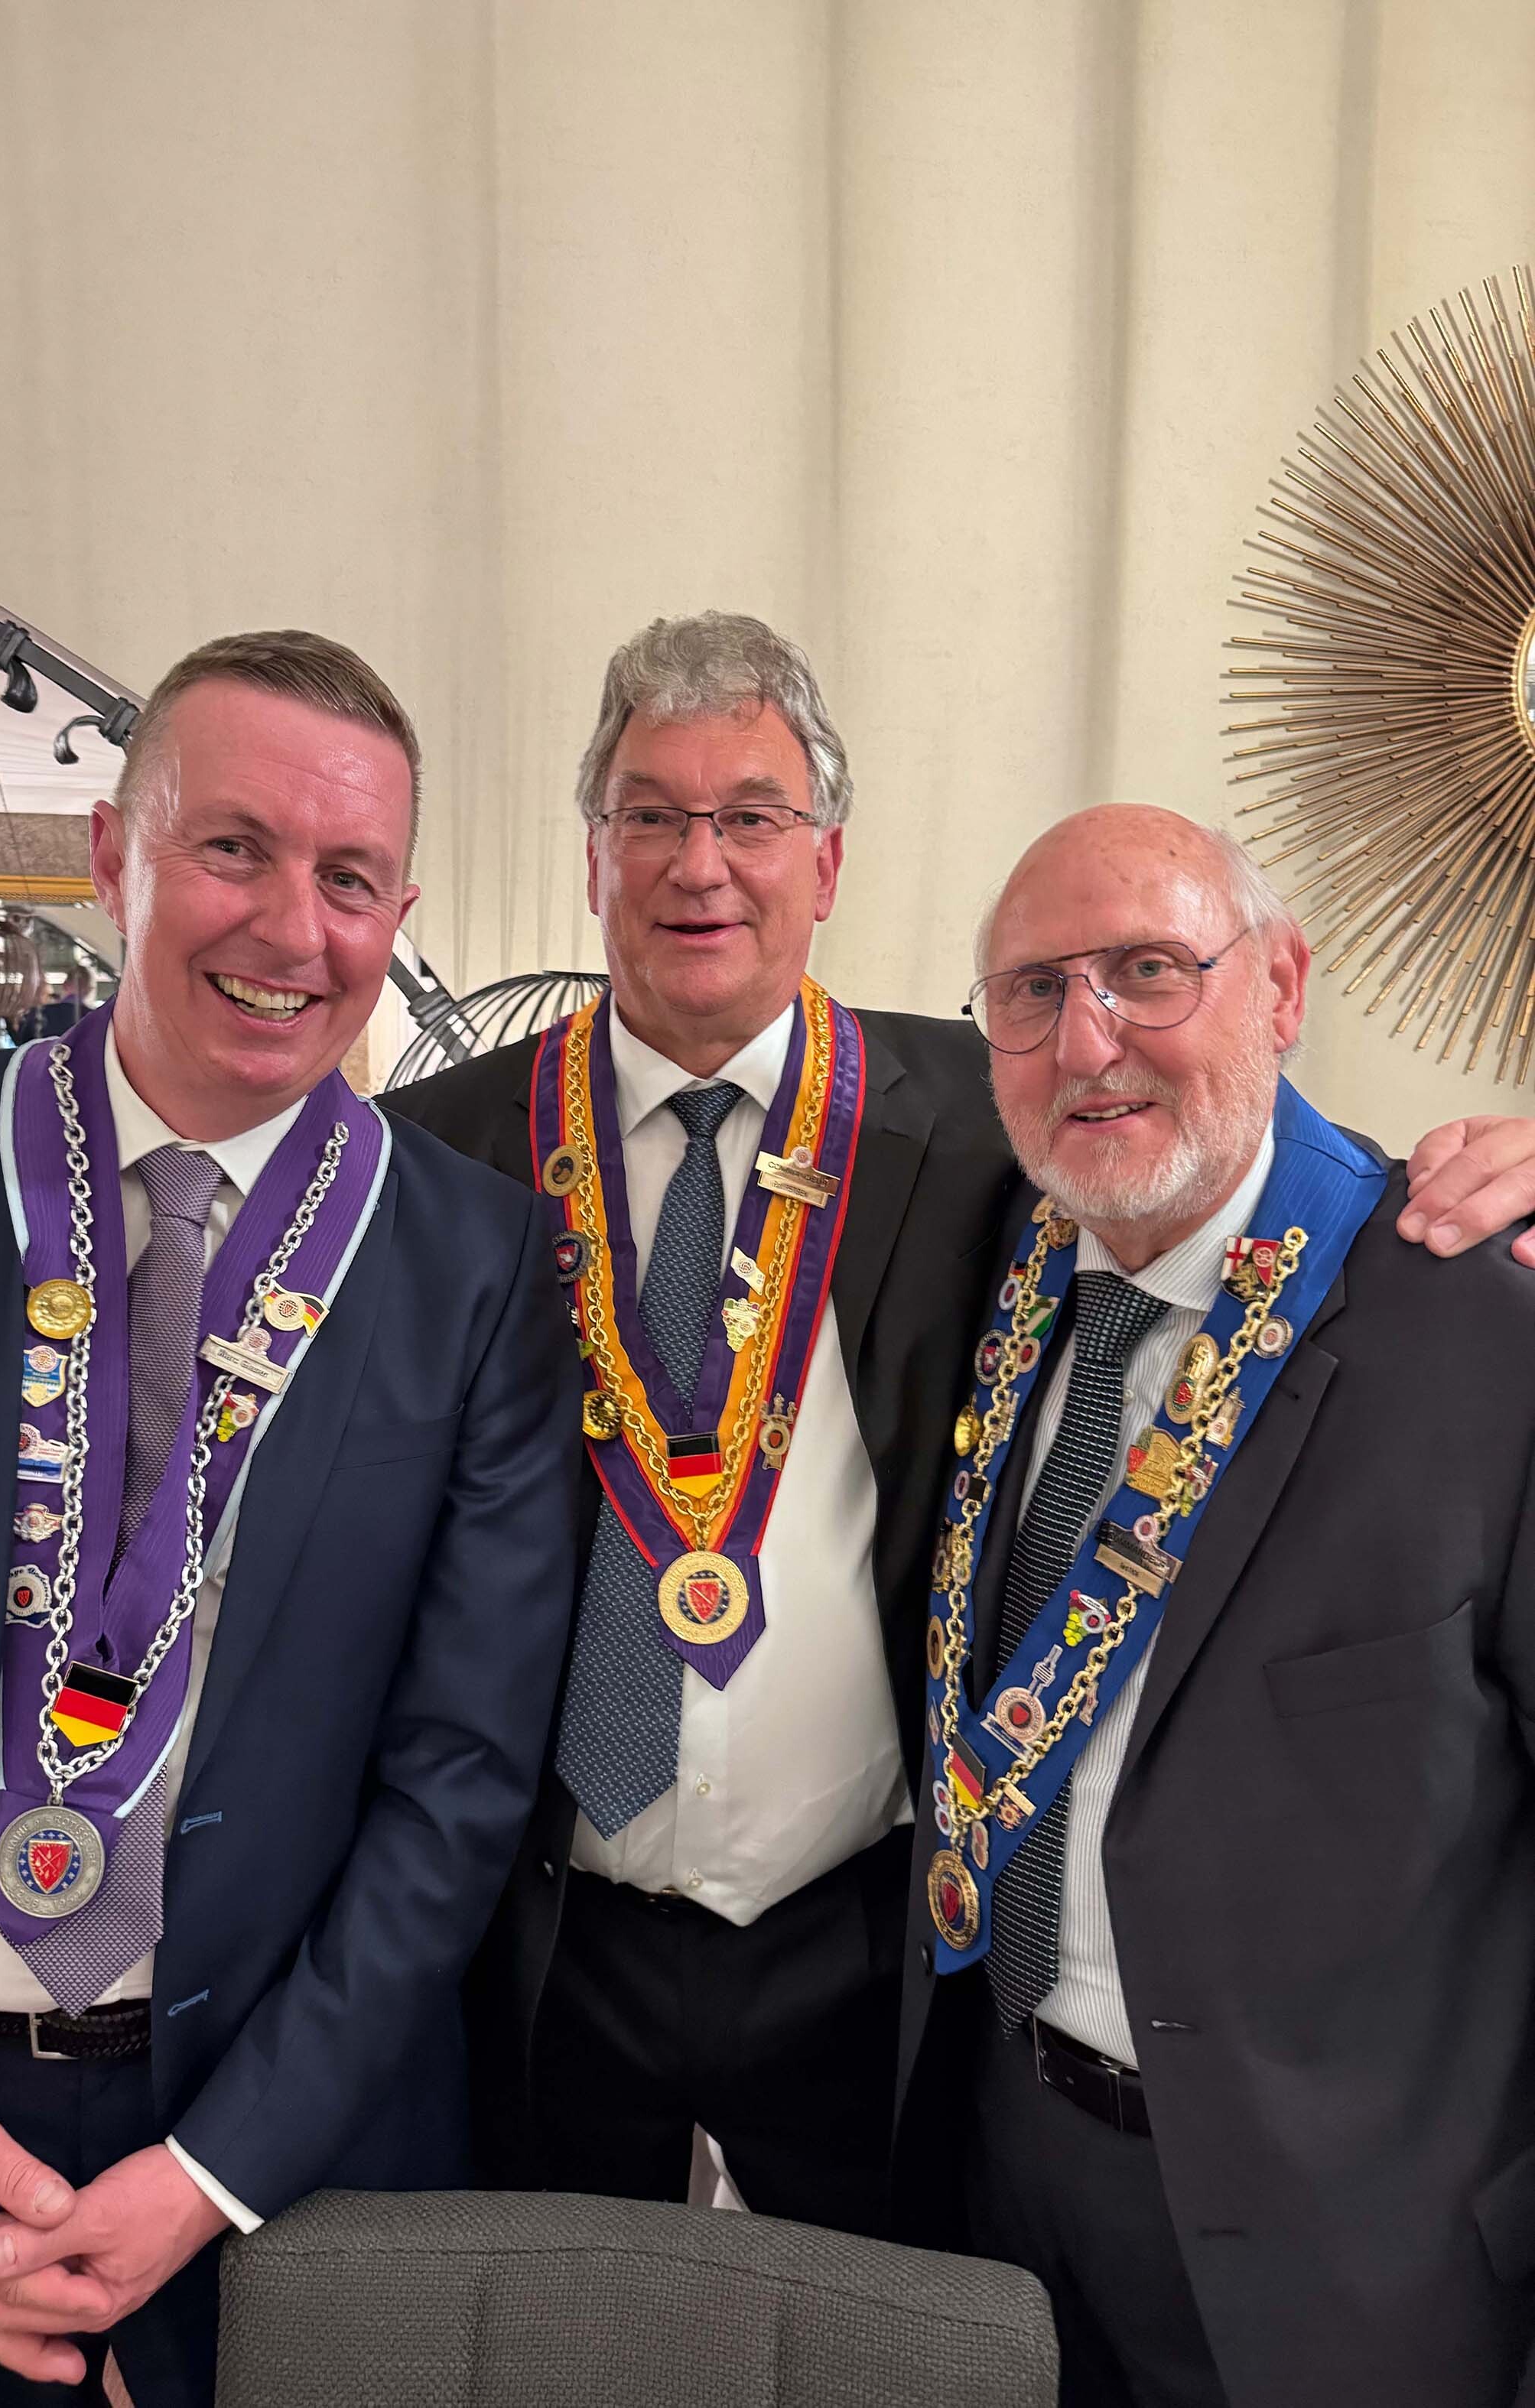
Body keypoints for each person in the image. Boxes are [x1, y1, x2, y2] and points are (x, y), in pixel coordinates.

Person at [387, 613, 1535, 2242]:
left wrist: (1480, 1179)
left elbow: (1220, 1163)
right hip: (544, 1935)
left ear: (826, 860)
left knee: (901, 2337)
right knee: (557, 2329)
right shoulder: (430, 1153)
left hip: (868, 1940)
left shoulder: (986, 1110)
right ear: (592, 854)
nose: (700, 862)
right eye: (650, 814)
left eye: (752, 814)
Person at [0, 629, 577, 2405]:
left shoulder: (476, 1261)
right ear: (113, 852)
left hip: (277, 2162)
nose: (292, 927)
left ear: (398, 910)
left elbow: (459, 1774)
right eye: (234, 846)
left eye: (349, 876)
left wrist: (206, 2170)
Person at [897, 804, 1535, 2408]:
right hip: (997, 2166)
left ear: (1281, 984)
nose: (1086, 1039)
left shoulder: (1489, 1327)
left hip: (1354, 2247)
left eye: (1147, 969)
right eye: (1030, 991)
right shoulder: (993, 1260)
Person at [15, 963, 95, 1045]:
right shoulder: (95, 1018)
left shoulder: (37, 1015)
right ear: (89, 990)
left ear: (65, 985)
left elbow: (23, 1047)